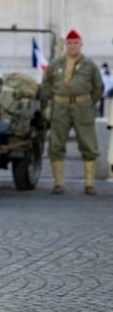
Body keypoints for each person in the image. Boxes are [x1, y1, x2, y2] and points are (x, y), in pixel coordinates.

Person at [40, 29, 103, 195]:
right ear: (66, 45)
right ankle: (58, 184)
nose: (73, 46)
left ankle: (89, 184)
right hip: (60, 107)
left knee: (88, 144)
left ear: (81, 45)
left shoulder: (90, 65)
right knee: (56, 144)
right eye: (70, 43)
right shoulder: (55, 64)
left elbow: (98, 88)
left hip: (83, 108)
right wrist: (49, 102)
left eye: (76, 43)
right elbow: (46, 84)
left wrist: (88, 103)